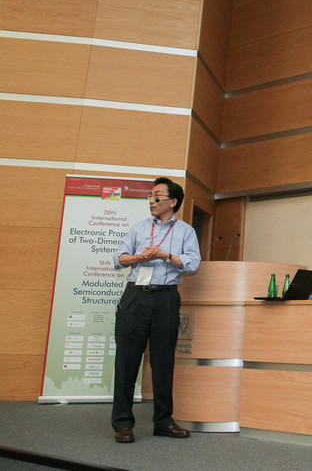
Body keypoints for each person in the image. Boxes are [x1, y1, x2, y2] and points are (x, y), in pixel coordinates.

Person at [111, 177, 200, 443]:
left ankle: (163, 421)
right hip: (135, 297)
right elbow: (119, 259)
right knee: (126, 361)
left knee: (163, 362)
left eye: (157, 196)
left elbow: (193, 264)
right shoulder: (138, 228)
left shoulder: (186, 231)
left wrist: (164, 256)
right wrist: (139, 257)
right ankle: (123, 424)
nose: (151, 200)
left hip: (166, 298)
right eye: (150, 196)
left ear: (172, 201)